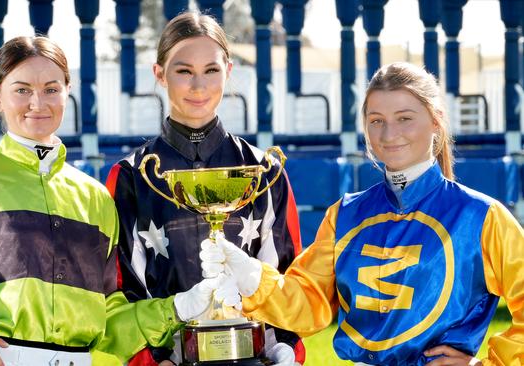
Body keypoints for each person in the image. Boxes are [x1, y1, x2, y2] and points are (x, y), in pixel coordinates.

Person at [0, 36, 224, 366]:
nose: (37, 103)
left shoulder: (94, 197)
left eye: (51, 89)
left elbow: (108, 322)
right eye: (22, 90)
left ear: (67, 92)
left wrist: (177, 307)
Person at [201, 62, 524, 365]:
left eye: (404, 118)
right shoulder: (345, 214)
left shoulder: (481, 216)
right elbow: (308, 303)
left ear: (436, 119)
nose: (388, 134)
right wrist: (253, 278)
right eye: (376, 120)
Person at [105, 12, 305, 366]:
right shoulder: (130, 177)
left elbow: (288, 277)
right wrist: (153, 360)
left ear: (228, 71)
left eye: (211, 70)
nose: (199, 86)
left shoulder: (264, 173)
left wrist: (284, 349)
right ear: (159, 74)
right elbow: (120, 288)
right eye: (184, 71)